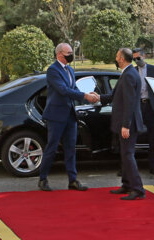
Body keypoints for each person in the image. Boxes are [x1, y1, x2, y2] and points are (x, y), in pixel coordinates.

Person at [38, 43, 98, 191]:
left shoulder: (70, 69)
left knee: (71, 149)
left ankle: (73, 180)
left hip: (70, 115)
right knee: (51, 148)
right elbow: (63, 90)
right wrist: (85, 96)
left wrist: (89, 95)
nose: (71, 55)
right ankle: (43, 179)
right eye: (69, 53)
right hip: (56, 116)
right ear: (59, 54)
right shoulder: (53, 70)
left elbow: (74, 89)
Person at [99, 48, 145, 200]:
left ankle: (137, 188)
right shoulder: (127, 74)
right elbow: (114, 97)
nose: (116, 58)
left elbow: (129, 102)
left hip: (128, 124)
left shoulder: (129, 75)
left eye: (117, 56)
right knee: (124, 155)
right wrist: (97, 97)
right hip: (125, 123)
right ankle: (126, 184)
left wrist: (126, 125)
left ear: (123, 59)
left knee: (128, 154)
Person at [132, 48, 154, 175]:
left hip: (149, 105)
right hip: (136, 105)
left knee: (152, 136)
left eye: (138, 58)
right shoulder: (132, 71)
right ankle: (127, 167)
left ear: (144, 56)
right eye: (134, 59)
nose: (136, 61)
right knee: (132, 135)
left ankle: (153, 165)